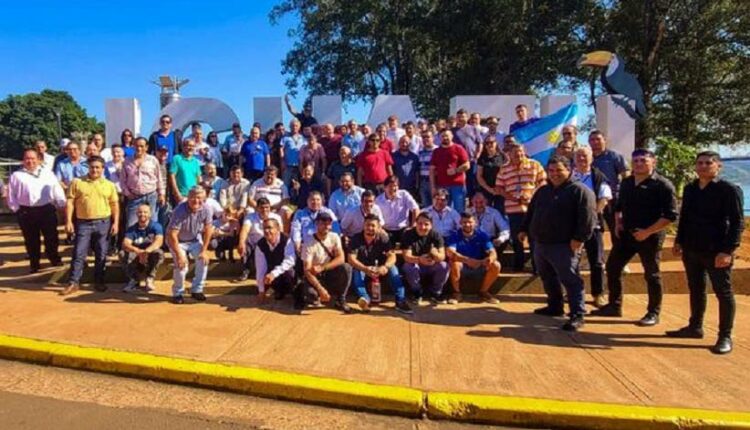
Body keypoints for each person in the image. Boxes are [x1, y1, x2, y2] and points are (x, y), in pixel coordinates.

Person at [667, 151, 744, 354]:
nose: (703, 166)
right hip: (692, 248)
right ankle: (695, 326)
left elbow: (737, 223)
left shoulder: (728, 190)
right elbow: (685, 217)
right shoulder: (691, 189)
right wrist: (679, 240)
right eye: (699, 163)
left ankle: (725, 336)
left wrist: (727, 251)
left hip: (716, 251)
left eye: (708, 163)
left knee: (723, 293)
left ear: (718, 166)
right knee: (696, 288)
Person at [592, 149, 678, 327]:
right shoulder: (627, 182)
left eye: (643, 160)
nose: (639, 164)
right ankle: (614, 306)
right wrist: (618, 223)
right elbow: (619, 205)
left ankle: (653, 312)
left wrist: (647, 232)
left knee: (652, 274)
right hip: (627, 235)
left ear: (653, 162)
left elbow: (670, 216)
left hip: (650, 236)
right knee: (613, 267)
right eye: (636, 161)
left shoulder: (663, 185)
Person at [519, 156, 597, 331]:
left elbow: (588, 218)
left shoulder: (580, 191)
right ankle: (555, 306)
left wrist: (579, 239)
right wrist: (524, 229)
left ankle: (577, 314)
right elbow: (532, 211)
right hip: (541, 244)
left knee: (570, 280)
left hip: (564, 245)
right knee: (547, 276)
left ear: (569, 170)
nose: (554, 174)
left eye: (559, 170)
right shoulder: (543, 191)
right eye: (551, 170)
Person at [62, 156, 119, 295]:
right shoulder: (77, 182)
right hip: (83, 223)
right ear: (88, 167)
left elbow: (114, 205)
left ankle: (99, 282)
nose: (94, 170)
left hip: (103, 223)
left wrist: (116, 222)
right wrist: (68, 221)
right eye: (92, 167)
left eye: (98, 167)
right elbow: (70, 202)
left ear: (102, 169)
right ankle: (73, 282)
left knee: (101, 254)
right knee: (79, 253)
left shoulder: (109, 185)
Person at [7, 147, 66, 273]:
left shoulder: (47, 173)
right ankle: (35, 263)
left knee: (51, 237)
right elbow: (11, 195)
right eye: (27, 158)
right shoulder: (16, 176)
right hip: (26, 212)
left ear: (39, 160)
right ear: (23, 160)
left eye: (33, 158)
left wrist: (61, 203)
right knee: (31, 239)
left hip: (46, 210)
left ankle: (54, 258)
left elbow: (56, 189)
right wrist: (16, 209)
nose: (30, 161)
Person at [495, 142, 546, 272]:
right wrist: (512, 197)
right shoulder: (504, 168)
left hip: (532, 208)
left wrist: (532, 195)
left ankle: (537, 266)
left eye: (521, 153)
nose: (519, 155)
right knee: (516, 239)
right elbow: (499, 188)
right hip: (513, 209)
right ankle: (518, 265)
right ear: (509, 155)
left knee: (534, 238)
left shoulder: (535, 164)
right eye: (516, 154)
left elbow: (543, 182)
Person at [572, 147, 612, 308]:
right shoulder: (569, 176)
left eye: (585, 156)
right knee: (572, 261)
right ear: (574, 159)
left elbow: (604, 198)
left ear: (591, 158)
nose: (582, 159)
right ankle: (574, 292)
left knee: (596, 261)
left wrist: (592, 216)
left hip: (593, 226)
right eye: (579, 156)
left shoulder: (599, 177)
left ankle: (598, 294)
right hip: (572, 226)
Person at [348, 214, 413, 314]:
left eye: (373, 226)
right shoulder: (356, 238)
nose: (370, 228)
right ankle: (365, 299)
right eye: (367, 225)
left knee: (393, 269)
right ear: (363, 226)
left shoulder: (383, 238)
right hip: (363, 268)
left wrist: (385, 267)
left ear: (378, 227)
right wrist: (365, 268)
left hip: (380, 268)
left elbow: (392, 256)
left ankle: (400, 301)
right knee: (356, 271)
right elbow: (351, 259)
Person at [165, 186, 214, 304]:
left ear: (204, 198)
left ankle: (197, 289)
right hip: (177, 241)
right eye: (193, 197)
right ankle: (178, 293)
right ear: (188, 198)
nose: (196, 201)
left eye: (199, 198)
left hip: (194, 239)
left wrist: (204, 250)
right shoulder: (179, 210)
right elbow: (172, 235)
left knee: (203, 260)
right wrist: (179, 256)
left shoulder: (207, 209)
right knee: (182, 265)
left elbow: (208, 229)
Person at [301, 212, 352, 312]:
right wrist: (320, 289)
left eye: (328, 223)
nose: (326, 226)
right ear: (316, 224)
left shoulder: (334, 237)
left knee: (346, 267)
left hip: (328, 271)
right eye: (323, 223)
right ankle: (318, 295)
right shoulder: (308, 242)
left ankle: (341, 299)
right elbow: (307, 270)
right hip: (315, 275)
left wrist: (323, 267)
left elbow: (341, 258)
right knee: (311, 295)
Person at [446, 212, 502, 304]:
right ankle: (457, 292)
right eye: (464, 222)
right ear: (460, 223)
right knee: (454, 264)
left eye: (470, 222)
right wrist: (468, 260)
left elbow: (493, 252)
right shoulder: (455, 235)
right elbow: (450, 252)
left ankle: (483, 292)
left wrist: (488, 259)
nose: (467, 225)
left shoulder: (482, 235)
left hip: (479, 265)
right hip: (463, 265)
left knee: (496, 265)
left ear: (475, 223)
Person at [590, 130, 629, 250]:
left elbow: (626, 176)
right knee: (594, 230)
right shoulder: (586, 157)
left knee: (615, 228)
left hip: (611, 199)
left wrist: (625, 195)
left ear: (604, 140)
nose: (595, 142)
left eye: (598, 139)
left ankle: (620, 260)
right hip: (591, 200)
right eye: (592, 140)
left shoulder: (614, 156)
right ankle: (597, 259)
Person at [401, 212, 449, 305]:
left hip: (431, 264)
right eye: (420, 224)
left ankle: (436, 292)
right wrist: (419, 259)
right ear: (416, 223)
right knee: (408, 267)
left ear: (431, 225)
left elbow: (442, 256)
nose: (422, 227)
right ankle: (417, 292)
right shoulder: (408, 234)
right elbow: (406, 256)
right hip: (416, 264)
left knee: (444, 266)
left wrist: (435, 254)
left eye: (426, 224)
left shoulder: (436, 235)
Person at [120, 137, 165, 227]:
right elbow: (122, 180)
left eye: (141, 146)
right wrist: (128, 194)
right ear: (133, 146)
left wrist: (161, 194)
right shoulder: (127, 161)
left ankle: (152, 241)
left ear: (146, 147)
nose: (139, 148)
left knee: (152, 224)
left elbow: (159, 178)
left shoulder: (153, 160)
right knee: (131, 225)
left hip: (151, 196)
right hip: (134, 197)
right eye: (136, 146)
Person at [120, 204, 164, 293]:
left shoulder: (156, 226)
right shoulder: (132, 229)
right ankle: (134, 280)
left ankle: (150, 278)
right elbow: (125, 243)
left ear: (150, 214)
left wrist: (146, 252)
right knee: (122, 253)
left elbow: (159, 241)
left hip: (150, 253)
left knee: (159, 253)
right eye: (140, 212)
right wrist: (138, 251)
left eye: (145, 212)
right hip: (137, 254)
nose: (142, 214)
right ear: (136, 214)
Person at [238, 197, 284, 281]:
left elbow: (280, 233)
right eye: (262, 207)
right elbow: (245, 230)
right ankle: (246, 270)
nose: (264, 209)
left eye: (267, 207)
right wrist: (241, 242)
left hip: (270, 244)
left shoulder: (276, 217)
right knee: (245, 245)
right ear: (257, 208)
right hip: (254, 244)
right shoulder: (250, 217)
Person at [254, 218, 297, 304]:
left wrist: (274, 273)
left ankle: (294, 291)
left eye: (270, 228)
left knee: (289, 274)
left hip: (288, 273)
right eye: (264, 228)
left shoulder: (286, 240)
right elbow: (260, 269)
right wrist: (261, 291)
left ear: (278, 229)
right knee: (266, 277)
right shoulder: (260, 245)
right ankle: (278, 290)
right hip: (272, 274)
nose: (266, 231)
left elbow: (290, 261)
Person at [430, 130, 470, 212]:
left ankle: (460, 225)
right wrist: (433, 187)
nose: (445, 138)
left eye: (447, 136)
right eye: (442, 136)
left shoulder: (459, 148)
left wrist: (456, 170)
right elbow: (432, 170)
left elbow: (467, 165)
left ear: (452, 136)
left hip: (457, 186)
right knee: (443, 210)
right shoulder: (436, 152)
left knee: (459, 210)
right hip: (442, 186)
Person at [375, 175, 419, 244]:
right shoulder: (378, 200)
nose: (393, 188)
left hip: (403, 229)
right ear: (384, 187)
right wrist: (381, 230)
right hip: (386, 230)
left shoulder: (404, 194)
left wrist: (413, 226)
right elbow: (375, 218)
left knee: (412, 236)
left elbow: (415, 209)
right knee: (380, 239)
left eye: (395, 186)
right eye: (390, 186)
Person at [476, 134, 507, 213]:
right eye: (487, 143)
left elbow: (507, 172)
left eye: (491, 142)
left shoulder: (503, 156)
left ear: (496, 143)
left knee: (500, 211)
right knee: (487, 212)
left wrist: (501, 188)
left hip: (501, 189)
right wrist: (489, 189)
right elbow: (479, 176)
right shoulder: (482, 158)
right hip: (486, 189)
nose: (489, 145)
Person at [169, 138, 201, 205]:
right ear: (183, 147)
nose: (190, 148)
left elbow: (198, 178)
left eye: (193, 146)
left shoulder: (195, 161)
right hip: (182, 195)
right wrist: (177, 193)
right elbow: (172, 176)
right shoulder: (177, 158)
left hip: (194, 196)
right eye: (188, 145)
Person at [417, 130, 436, 205]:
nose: (425, 139)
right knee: (426, 207)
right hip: (423, 182)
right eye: (423, 137)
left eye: (428, 137)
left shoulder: (438, 150)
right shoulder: (420, 152)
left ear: (433, 138)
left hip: (435, 183)